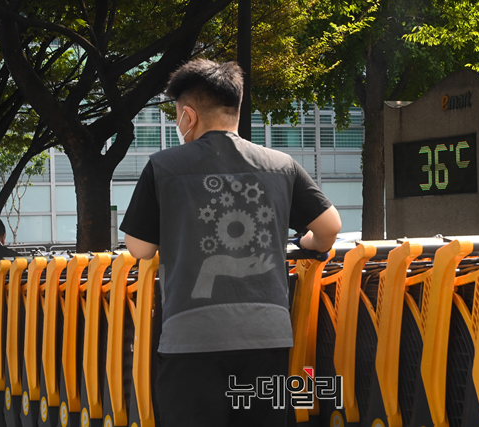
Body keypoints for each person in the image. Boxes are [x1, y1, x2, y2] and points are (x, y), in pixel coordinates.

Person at [120, 59, 341, 426]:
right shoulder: (280, 164)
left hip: (191, 339)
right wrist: (309, 241)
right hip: (267, 336)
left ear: (188, 116)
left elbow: (140, 248)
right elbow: (330, 226)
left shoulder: (164, 167)